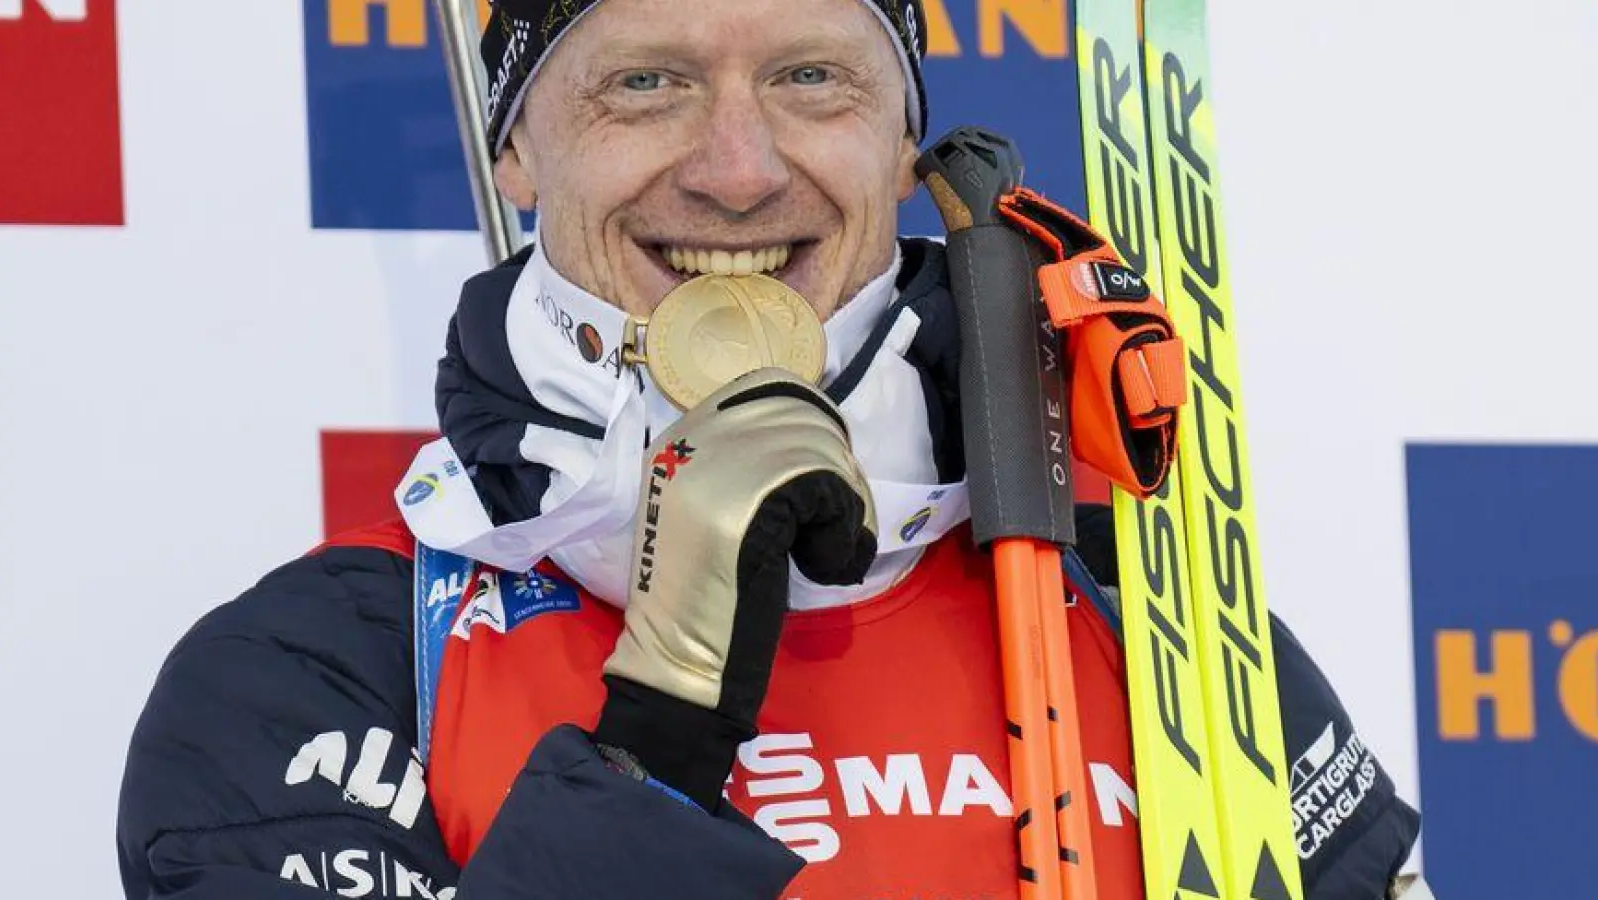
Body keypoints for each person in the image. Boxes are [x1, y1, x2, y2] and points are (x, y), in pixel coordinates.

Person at [117, 1, 1424, 897]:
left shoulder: (1140, 612)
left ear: (903, 141)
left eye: (810, 76)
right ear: (516, 143)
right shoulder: (325, 670)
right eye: (649, 81)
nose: (737, 172)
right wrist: (663, 730)